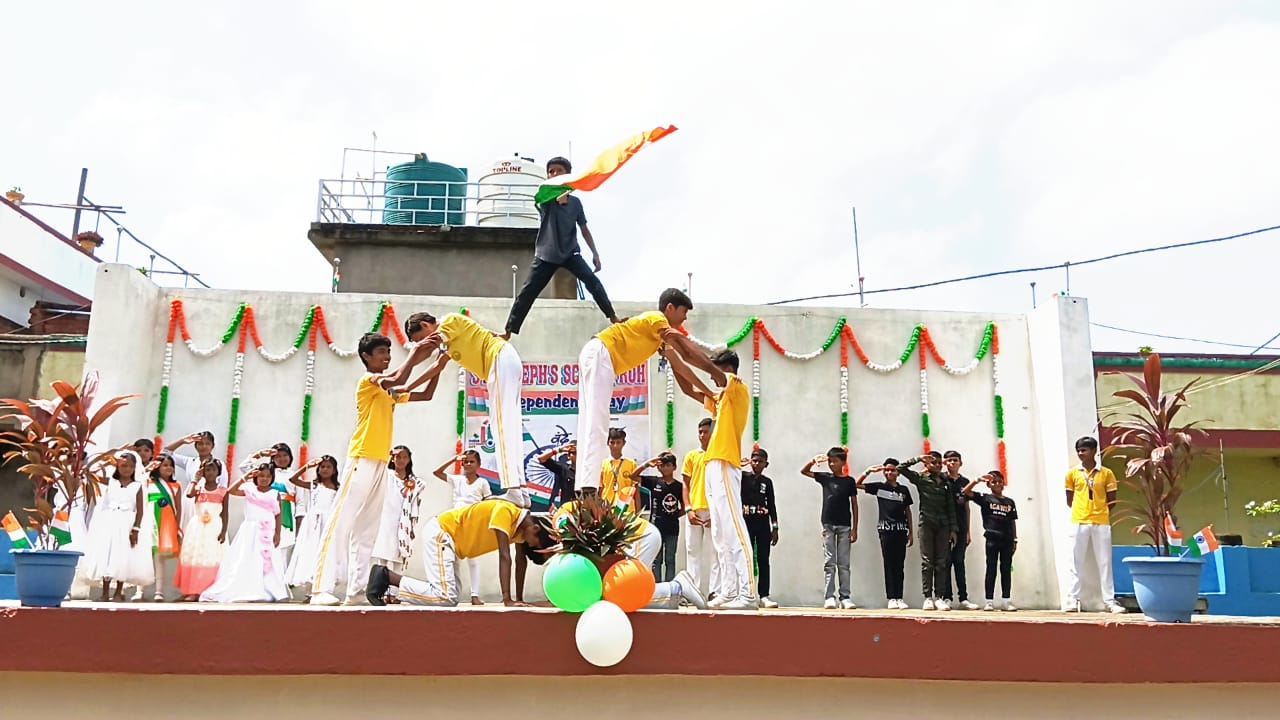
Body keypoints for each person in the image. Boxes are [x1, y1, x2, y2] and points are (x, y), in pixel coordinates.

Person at [310, 332, 447, 607]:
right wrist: (416, 352)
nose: (387, 357)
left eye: (389, 352)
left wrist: (439, 363)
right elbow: (397, 378)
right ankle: (320, 589)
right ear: (366, 356)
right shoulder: (369, 381)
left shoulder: (388, 391)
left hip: (380, 463)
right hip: (360, 458)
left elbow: (425, 394)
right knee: (340, 522)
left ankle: (356, 591)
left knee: (367, 529)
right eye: (382, 352)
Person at [576, 288, 721, 500]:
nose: (684, 319)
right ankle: (589, 488)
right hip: (601, 352)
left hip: (598, 354)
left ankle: (583, 485)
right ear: (670, 308)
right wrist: (716, 374)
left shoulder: (661, 338)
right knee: (597, 420)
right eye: (683, 312)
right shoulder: (657, 319)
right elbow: (688, 353)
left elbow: (682, 372)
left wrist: (709, 394)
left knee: (591, 419)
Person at [404, 311, 531, 506]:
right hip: (503, 361)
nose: (425, 342)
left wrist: (400, 374)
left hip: (498, 359)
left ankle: (513, 489)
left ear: (425, 324)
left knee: (501, 426)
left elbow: (426, 349)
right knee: (509, 426)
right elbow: (437, 366)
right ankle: (521, 490)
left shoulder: (449, 321)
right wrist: (407, 388)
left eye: (421, 337)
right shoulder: (449, 340)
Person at [668, 347, 755, 610]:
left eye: (715, 370)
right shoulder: (719, 400)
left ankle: (748, 594)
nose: (711, 377)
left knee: (735, 529)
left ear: (726, 369)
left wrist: (680, 351)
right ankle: (729, 591)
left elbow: (705, 369)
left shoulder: (736, 386)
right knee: (720, 534)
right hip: (712, 465)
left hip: (726, 462)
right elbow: (688, 389)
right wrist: (671, 357)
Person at [502, 156, 620, 338]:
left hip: (570, 253)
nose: (554, 174)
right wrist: (556, 197)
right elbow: (540, 199)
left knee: (592, 281)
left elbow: (584, 229)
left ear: (568, 175)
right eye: (551, 172)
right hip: (546, 255)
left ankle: (613, 317)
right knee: (528, 291)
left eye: (559, 171)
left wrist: (595, 253)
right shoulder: (545, 198)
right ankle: (508, 331)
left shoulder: (576, 203)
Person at [366, 498, 553, 607]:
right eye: (535, 543)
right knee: (444, 597)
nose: (530, 546)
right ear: (535, 528)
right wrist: (507, 599)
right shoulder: (506, 512)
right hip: (442, 533)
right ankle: (387, 577)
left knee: (451, 598)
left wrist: (519, 600)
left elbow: (520, 561)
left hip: (451, 543)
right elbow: (505, 556)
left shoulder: (520, 531)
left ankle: (389, 584)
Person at [201, 463, 288, 603]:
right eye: (261, 476)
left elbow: (278, 514)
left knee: (268, 562)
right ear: (256, 477)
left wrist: (277, 533)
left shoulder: (274, 493)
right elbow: (231, 490)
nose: (264, 479)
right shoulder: (249, 489)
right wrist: (245, 477)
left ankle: (271, 590)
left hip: (267, 532)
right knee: (247, 558)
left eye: (268, 476)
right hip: (250, 531)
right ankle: (249, 588)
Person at [82, 450, 153, 601]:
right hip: (109, 522)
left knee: (122, 555)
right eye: (123, 466)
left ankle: (119, 592)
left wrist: (136, 529)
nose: (127, 469)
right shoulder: (111, 482)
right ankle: (105, 592)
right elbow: (89, 474)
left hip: (126, 524)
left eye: (130, 466)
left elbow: (140, 510)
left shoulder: (137, 486)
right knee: (107, 554)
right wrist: (107, 462)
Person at [1065, 436, 1125, 614]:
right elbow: (1069, 499)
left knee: (1105, 562)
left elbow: (1112, 500)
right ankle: (1072, 600)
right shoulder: (1072, 474)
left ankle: (1109, 601)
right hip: (1079, 521)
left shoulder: (1106, 473)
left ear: (1094, 451)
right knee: (1075, 562)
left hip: (1101, 522)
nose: (1080, 453)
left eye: (1084, 450)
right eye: (1078, 450)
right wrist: (1082, 509)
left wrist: (1100, 510)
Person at [432, 449, 493, 605]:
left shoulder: (482, 483)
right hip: (455, 522)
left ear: (478, 464)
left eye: (472, 461)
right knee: (452, 559)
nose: (468, 464)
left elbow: (488, 503)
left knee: (473, 560)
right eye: (465, 461)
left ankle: (475, 595)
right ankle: (453, 593)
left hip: (472, 523)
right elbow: (437, 472)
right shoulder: (457, 480)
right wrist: (454, 459)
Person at [898, 451, 957, 610]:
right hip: (927, 523)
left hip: (943, 525)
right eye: (933, 462)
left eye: (939, 463)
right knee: (927, 562)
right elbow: (900, 468)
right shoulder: (921, 479)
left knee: (941, 562)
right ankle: (928, 597)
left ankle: (939, 597)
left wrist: (953, 529)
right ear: (927, 464)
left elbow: (951, 506)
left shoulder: (946, 482)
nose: (937, 465)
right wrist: (918, 458)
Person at [801, 447, 859, 610]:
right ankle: (829, 597)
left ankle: (845, 597)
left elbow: (854, 505)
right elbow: (804, 471)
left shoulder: (849, 481)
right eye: (830, 461)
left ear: (843, 462)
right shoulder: (825, 478)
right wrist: (813, 461)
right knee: (829, 562)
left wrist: (855, 528)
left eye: (835, 461)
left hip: (845, 525)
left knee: (844, 563)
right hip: (828, 524)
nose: (832, 464)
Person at [856, 459, 914, 609]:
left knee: (899, 565)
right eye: (886, 470)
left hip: (901, 531)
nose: (889, 472)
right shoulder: (879, 487)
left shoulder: (904, 490)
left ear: (898, 472)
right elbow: (856, 484)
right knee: (889, 564)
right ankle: (891, 598)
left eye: (892, 470)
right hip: (886, 531)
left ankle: (899, 597)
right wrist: (868, 472)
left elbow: (907, 511)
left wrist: (911, 533)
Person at [963, 470, 1019, 611]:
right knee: (991, 569)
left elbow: (1012, 521)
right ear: (988, 484)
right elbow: (965, 492)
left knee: (1006, 569)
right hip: (992, 538)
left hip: (1007, 539)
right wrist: (977, 480)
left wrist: (1015, 540)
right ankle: (989, 601)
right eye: (994, 482)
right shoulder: (985, 498)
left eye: (1000, 481)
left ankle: (1006, 601)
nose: (997, 484)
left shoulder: (1009, 502)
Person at [285, 455, 341, 595]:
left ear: (334, 470)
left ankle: (324, 587)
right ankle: (310, 589)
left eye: (328, 467)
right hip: (313, 524)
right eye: (322, 467)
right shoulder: (314, 485)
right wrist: (307, 467)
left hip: (328, 523)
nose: (325, 469)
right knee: (310, 553)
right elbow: (292, 479)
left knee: (326, 555)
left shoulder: (337, 487)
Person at [174, 458, 228, 600]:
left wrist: (223, 531)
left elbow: (225, 513)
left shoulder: (223, 491)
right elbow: (189, 494)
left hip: (214, 528)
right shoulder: (198, 489)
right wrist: (195, 479)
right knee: (196, 558)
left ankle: (210, 590)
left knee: (211, 558)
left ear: (218, 472)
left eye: (213, 470)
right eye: (207, 470)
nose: (210, 473)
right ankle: (192, 590)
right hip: (198, 527)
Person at [632, 453, 683, 583]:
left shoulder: (679, 486)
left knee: (670, 559)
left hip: (672, 528)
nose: (665, 468)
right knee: (656, 559)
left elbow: (684, 506)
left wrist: (675, 515)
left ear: (674, 467)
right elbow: (633, 476)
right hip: (656, 527)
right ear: (658, 467)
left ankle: (670, 587)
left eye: (668, 465)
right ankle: (657, 587)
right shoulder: (654, 482)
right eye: (662, 465)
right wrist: (647, 464)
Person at [682, 418, 717, 598]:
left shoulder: (718, 457)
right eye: (700, 432)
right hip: (694, 511)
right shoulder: (691, 456)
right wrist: (688, 509)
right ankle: (692, 592)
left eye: (705, 432)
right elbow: (685, 484)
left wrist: (717, 513)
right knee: (692, 551)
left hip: (713, 512)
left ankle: (714, 591)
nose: (702, 435)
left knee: (715, 553)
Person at [372, 445, 420, 577]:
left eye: (404, 457)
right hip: (386, 519)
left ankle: (395, 588)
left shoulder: (414, 481)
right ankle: (380, 586)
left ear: (409, 459)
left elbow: (415, 503)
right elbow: (377, 468)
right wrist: (387, 454)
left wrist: (412, 525)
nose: (401, 460)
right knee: (383, 556)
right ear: (393, 458)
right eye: (398, 457)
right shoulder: (387, 475)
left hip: (403, 521)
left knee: (399, 556)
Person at [741, 448, 779, 609]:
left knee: (763, 559)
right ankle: (746, 593)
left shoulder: (767, 482)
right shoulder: (742, 477)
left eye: (760, 461)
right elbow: (728, 475)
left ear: (766, 464)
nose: (756, 464)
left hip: (763, 523)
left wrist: (775, 527)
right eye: (754, 460)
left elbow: (772, 504)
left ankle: (764, 595)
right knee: (746, 558)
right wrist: (738, 464)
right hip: (746, 522)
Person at [141, 453, 182, 601]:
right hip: (150, 520)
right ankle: (140, 590)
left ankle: (159, 591)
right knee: (144, 556)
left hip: (166, 524)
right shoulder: (148, 482)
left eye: (171, 465)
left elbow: (178, 508)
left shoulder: (176, 486)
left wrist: (177, 526)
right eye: (165, 465)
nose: (168, 468)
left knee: (159, 558)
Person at [941, 450, 979, 610]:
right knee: (946, 562)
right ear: (945, 463)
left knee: (959, 561)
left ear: (960, 463)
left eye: (955, 460)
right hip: (945, 527)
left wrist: (968, 531)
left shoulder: (965, 482)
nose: (952, 463)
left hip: (962, 527)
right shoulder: (941, 478)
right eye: (949, 460)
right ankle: (946, 597)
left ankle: (963, 598)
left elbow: (967, 507)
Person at [601, 428, 639, 513]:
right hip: (607, 508)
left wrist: (638, 512)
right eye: (612, 442)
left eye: (618, 442)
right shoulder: (603, 464)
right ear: (607, 443)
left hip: (626, 508)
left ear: (623, 443)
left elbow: (636, 489)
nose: (615, 446)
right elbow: (600, 489)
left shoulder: (631, 463)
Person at [535, 442, 576, 510]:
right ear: (569, 456)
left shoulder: (588, 471)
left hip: (586, 510)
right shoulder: (563, 469)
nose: (577, 455)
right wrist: (559, 449)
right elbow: (541, 458)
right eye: (574, 453)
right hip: (567, 510)